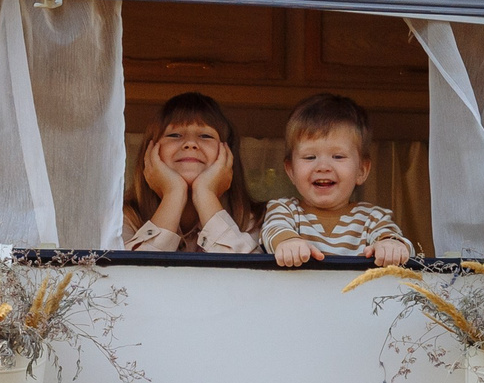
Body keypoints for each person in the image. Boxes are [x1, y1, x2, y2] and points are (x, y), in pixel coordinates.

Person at [263, 94, 415, 268]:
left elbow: (396, 240)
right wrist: (288, 242)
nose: (323, 166)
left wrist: (391, 245)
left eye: (338, 156)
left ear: (361, 170)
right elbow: (273, 231)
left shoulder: (372, 217)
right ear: (290, 171)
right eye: (310, 156)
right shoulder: (285, 209)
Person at [124, 92, 262, 253]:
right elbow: (134, 275)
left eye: (205, 135)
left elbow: (246, 275)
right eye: (174, 135)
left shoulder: (253, 219)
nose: (190, 143)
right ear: (150, 153)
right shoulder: (123, 218)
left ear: (228, 154)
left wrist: (205, 193)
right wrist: (173, 194)